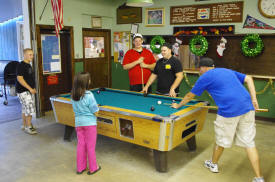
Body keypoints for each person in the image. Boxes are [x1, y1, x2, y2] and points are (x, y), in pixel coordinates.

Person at [171, 57, 264, 182]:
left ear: (203, 68)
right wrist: (254, 99)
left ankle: (213, 164)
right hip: (248, 107)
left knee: (221, 140)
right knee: (249, 143)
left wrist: (178, 105)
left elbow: (189, 96)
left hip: (229, 111)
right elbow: (249, 78)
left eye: (199, 68)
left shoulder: (205, 77)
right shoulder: (226, 70)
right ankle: (259, 178)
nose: (199, 71)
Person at [71, 72, 101, 175]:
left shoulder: (73, 95)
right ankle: (93, 168)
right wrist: (97, 107)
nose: (90, 80)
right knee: (90, 147)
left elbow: (78, 108)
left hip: (78, 124)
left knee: (81, 145)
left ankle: (80, 168)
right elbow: (96, 112)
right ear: (86, 82)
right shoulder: (89, 95)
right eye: (89, 79)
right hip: (90, 125)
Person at [16, 48, 37, 135]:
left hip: (28, 91)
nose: (32, 56)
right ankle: (29, 127)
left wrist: (33, 88)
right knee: (30, 109)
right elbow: (19, 79)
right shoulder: (21, 65)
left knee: (25, 109)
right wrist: (30, 88)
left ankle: (24, 125)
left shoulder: (28, 65)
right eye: (30, 55)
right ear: (24, 55)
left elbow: (29, 78)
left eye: (32, 54)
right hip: (23, 91)